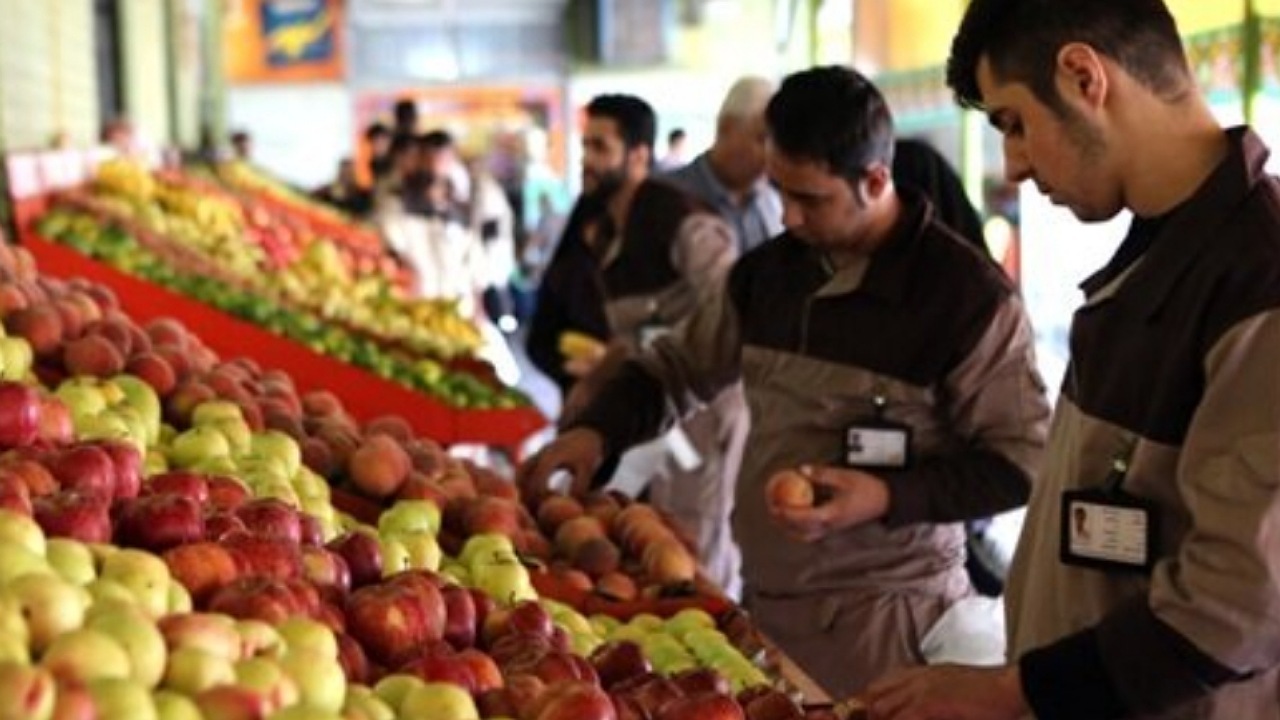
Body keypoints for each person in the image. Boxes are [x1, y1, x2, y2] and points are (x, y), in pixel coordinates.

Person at [519, 67, 1049, 697]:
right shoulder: (768, 277)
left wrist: (883, 495)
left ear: (875, 181)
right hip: (768, 609)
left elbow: (1023, 463)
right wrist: (595, 434)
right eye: (780, 192)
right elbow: (676, 370)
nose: (789, 217)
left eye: (811, 199)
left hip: (890, 624)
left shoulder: (964, 300)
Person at [864, 2, 1280, 719]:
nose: (1014, 165)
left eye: (1015, 124)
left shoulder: (1258, 279)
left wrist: (1008, 693)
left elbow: (1241, 601)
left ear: (1084, 76)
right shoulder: (1152, 267)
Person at [524, 93, 745, 597]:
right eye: (586, 145)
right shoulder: (604, 225)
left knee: (697, 547)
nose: (588, 159)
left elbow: (729, 297)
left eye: (601, 146)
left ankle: (722, 650)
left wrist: (663, 343)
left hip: (704, 413)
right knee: (653, 533)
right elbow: (632, 338)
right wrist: (602, 378)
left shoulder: (679, 217)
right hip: (653, 407)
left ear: (640, 155)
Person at [666, 75, 783, 254]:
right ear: (726, 127)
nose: (770, 154)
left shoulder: (777, 201)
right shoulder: (666, 196)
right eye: (761, 139)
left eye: (776, 144)